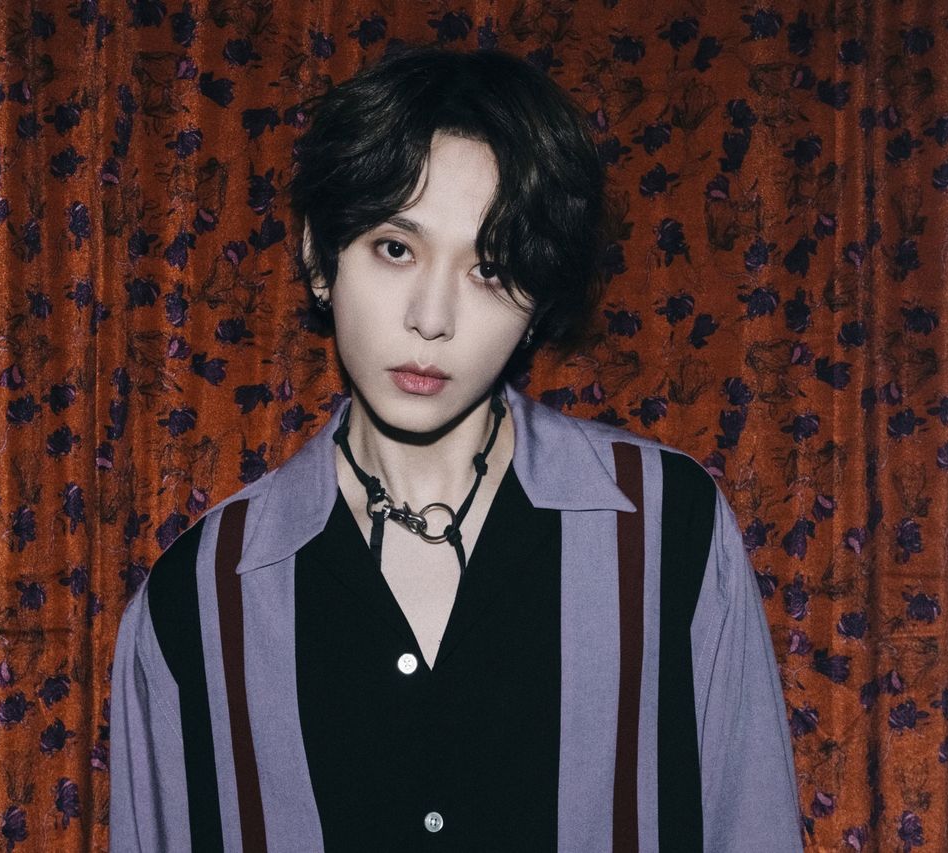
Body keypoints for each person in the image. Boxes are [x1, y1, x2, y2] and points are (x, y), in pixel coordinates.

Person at [109, 45, 803, 852]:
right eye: (395, 248)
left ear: (537, 301)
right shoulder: (198, 596)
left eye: (490, 268)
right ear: (319, 259)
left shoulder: (666, 530)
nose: (432, 318)